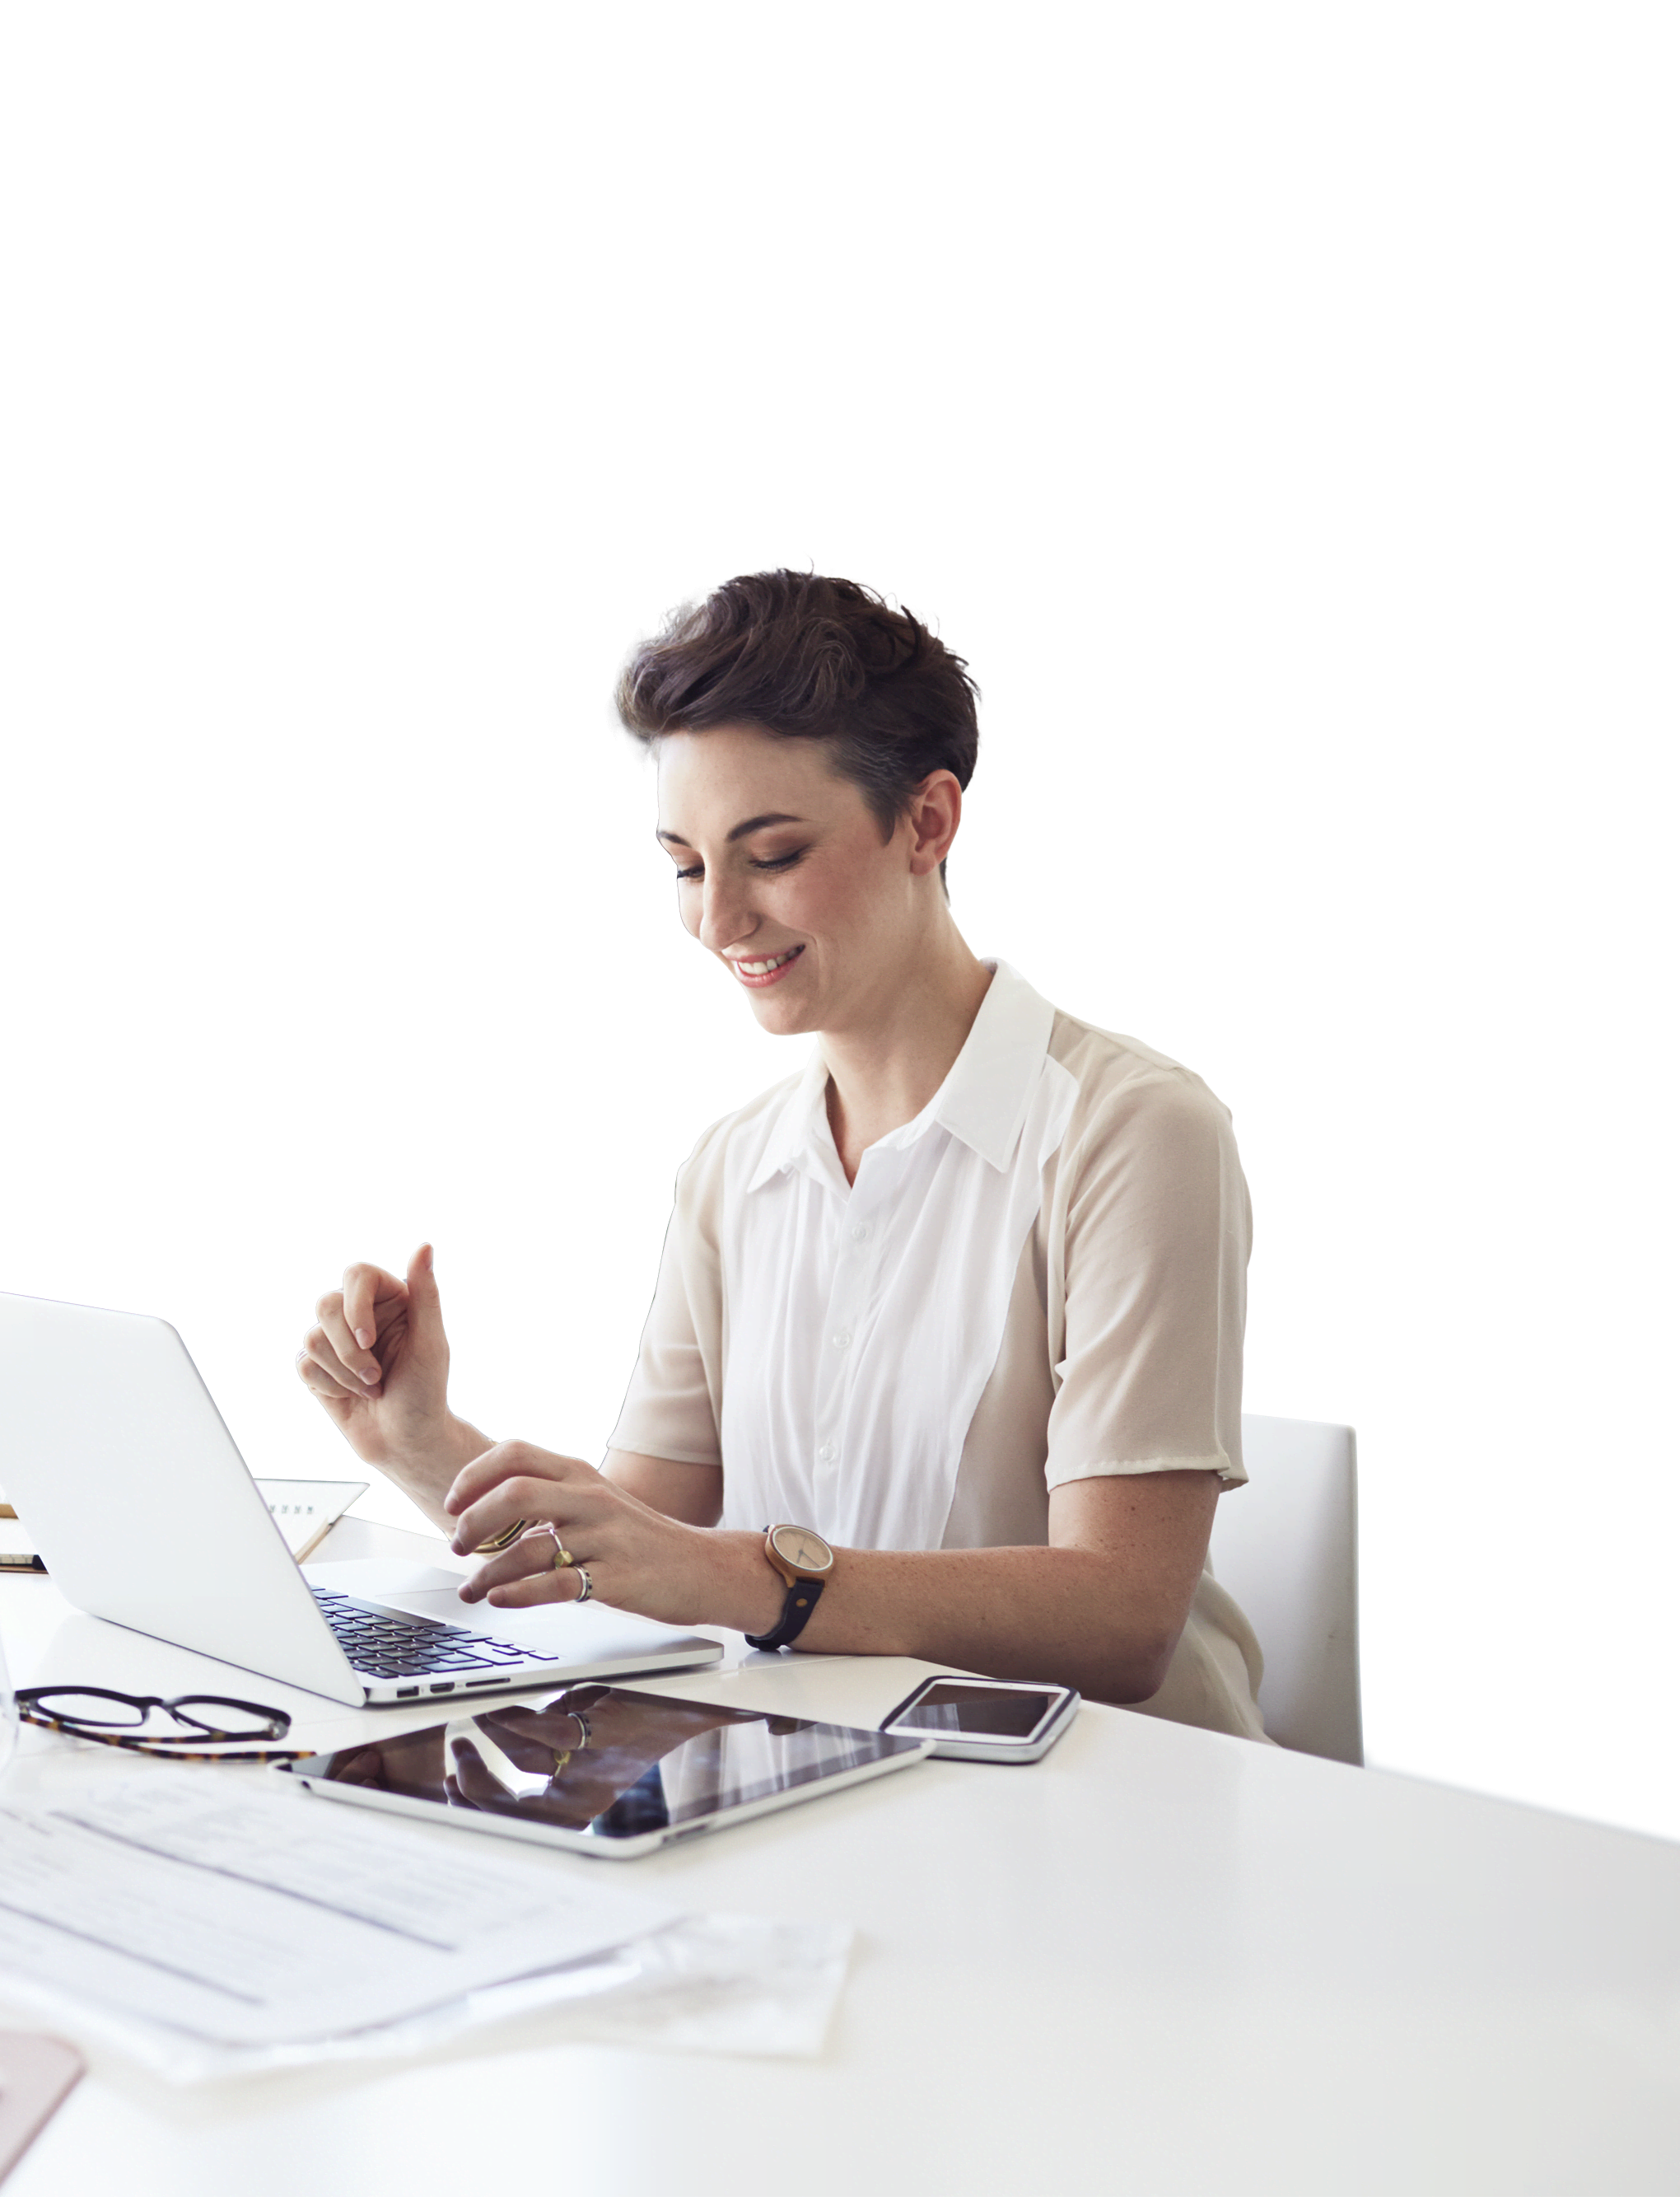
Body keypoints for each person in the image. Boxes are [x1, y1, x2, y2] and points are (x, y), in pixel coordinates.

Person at [294, 568, 1268, 1738]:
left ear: (929, 820)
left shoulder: (1129, 1132)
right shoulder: (731, 1173)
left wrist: (751, 1575)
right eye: (689, 864)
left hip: (1112, 1808)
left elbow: (1121, 1618)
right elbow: (633, 1546)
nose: (716, 918)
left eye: (771, 854)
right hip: (830, 1784)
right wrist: (423, 1441)